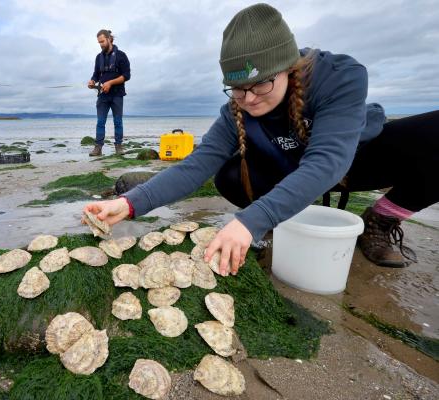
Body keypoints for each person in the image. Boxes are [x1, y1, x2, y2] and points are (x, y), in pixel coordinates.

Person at [83, 3, 438, 274]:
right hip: (286, 164)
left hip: (353, 156)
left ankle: (382, 219)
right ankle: (282, 220)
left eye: (261, 85)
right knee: (227, 173)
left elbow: (327, 161)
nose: (249, 99)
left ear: (287, 67)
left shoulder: (340, 77)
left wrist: (252, 220)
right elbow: (196, 165)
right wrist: (129, 204)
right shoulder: (237, 107)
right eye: (237, 89)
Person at [87, 29, 131, 157]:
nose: (101, 44)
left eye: (102, 41)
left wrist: (110, 83)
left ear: (109, 39)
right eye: (99, 42)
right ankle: (98, 148)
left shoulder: (121, 55)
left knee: (118, 122)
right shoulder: (98, 57)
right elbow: (96, 74)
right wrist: (92, 81)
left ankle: (119, 146)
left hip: (117, 94)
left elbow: (126, 76)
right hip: (102, 96)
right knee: (100, 122)